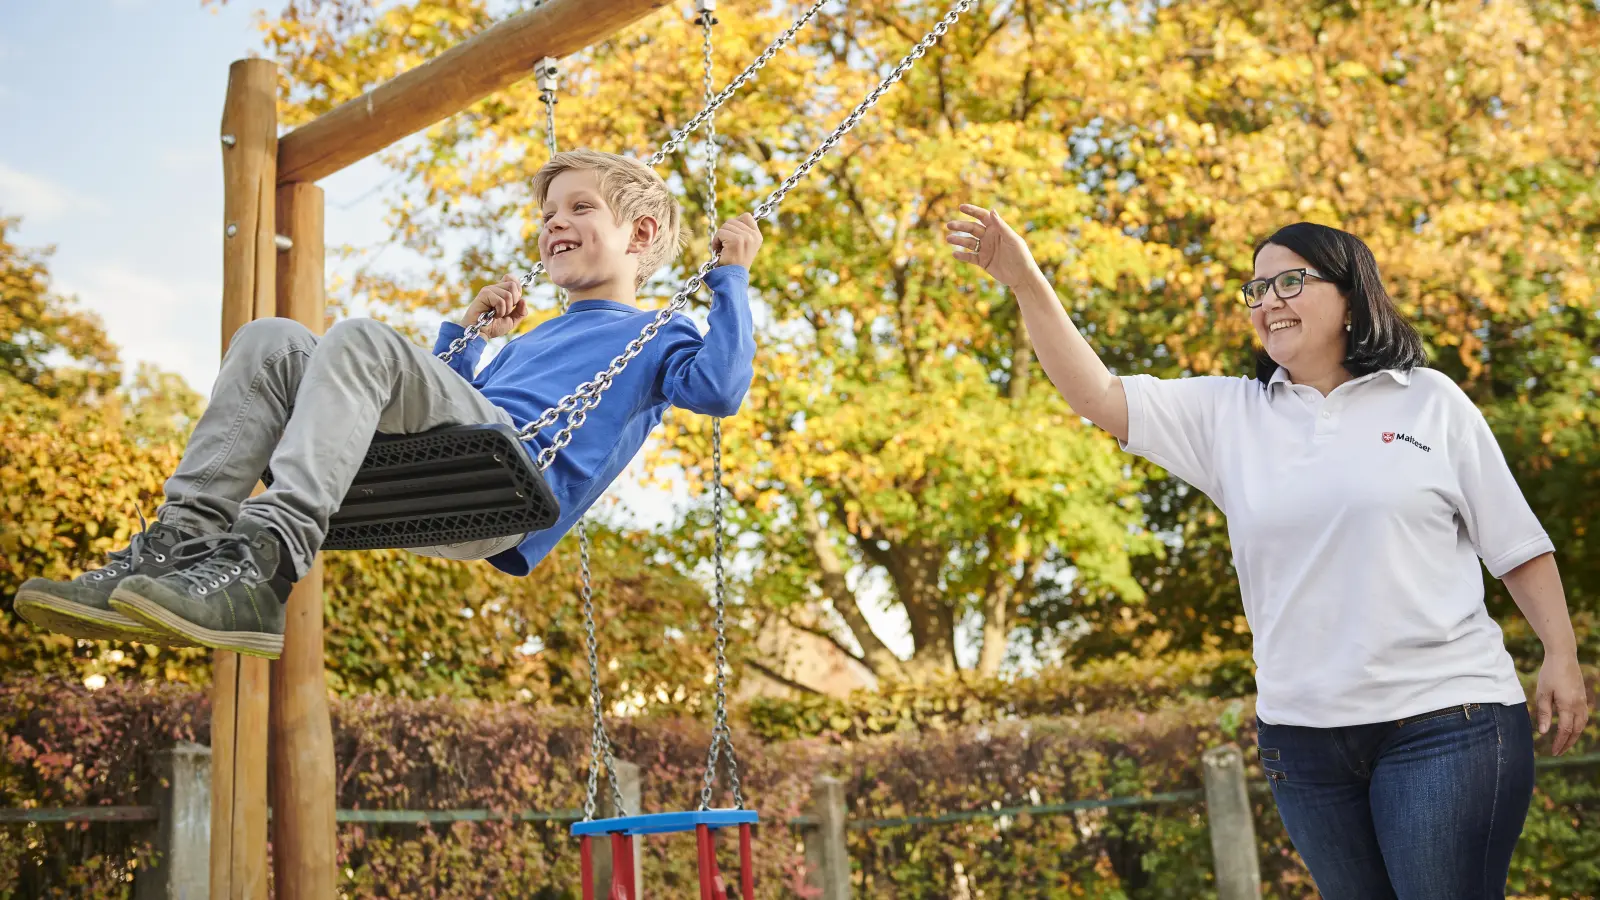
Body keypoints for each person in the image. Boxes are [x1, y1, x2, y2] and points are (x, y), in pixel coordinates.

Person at [944, 205, 1589, 899]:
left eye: (1290, 283)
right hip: (1305, 743)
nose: (1268, 302)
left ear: (1350, 297)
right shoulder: (1230, 416)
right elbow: (1095, 393)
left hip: (1447, 722)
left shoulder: (1430, 402)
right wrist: (1023, 280)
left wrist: (1561, 652)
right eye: (1257, 290)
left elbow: (1516, 544)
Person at [14, 149, 763, 661]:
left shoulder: (657, 335)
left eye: (579, 207)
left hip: (507, 484)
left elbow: (721, 388)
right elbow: (412, 402)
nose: (553, 222)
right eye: (546, 214)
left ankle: (267, 564)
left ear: (641, 233)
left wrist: (730, 278)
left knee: (362, 338)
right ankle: (182, 541)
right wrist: (467, 339)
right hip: (444, 465)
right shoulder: (532, 337)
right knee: (271, 339)